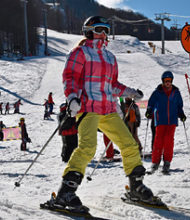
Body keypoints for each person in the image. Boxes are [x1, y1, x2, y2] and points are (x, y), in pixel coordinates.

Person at [53, 15, 153, 212]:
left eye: (107, 30)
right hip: (88, 107)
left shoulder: (110, 57)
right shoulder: (80, 53)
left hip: (107, 109)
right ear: (88, 30)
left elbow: (113, 85)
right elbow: (70, 77)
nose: (104, 34)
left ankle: (136, 187)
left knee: (129, 144)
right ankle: (66, 192)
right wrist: (72, 98)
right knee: (88, 147)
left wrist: (130, 92)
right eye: (99, 29)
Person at [145, 71, 186, 174]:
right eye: (166, 81)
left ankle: (167, 163)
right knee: (158, 141)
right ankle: (155, 162)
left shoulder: (176, 92)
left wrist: (181, 114)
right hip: (160, 119)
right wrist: (149, 110)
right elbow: (151, 103)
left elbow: (179, 105)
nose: (168, 83)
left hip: (172, 120)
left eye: (169, 81)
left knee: (168, 141)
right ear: (163, 81)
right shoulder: (157, 92)